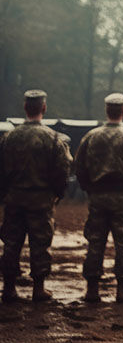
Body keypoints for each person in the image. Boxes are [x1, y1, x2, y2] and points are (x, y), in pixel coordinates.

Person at [74, 93, 123, 302]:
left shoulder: (91, 137)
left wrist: (89, 188)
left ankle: (91, 289)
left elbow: (79, 167)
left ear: (107, 111)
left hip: (98, 196)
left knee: (96, 241)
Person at [0, 90, 72, 303]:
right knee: (40, 244)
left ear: (25, 108)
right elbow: (63, 169)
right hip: (41, 201)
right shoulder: (52, 138)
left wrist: (4, 194)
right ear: (44, 108)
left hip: (14, 200)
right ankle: (38, 288)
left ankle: (9, 288)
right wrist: (58, 194)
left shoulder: (9, 137)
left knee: (11, 243)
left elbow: (1, 170)